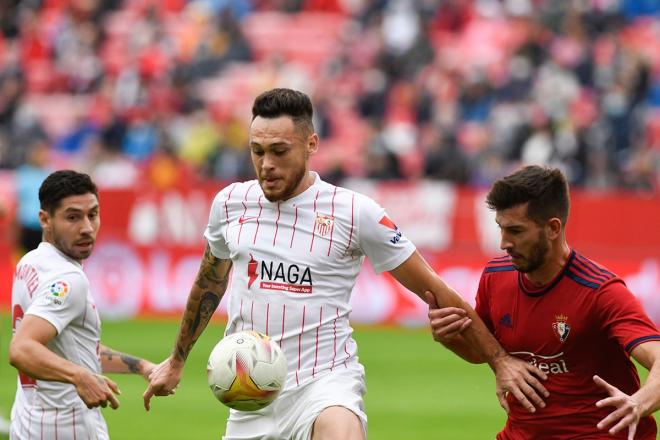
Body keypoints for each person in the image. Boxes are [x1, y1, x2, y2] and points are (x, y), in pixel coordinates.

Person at [143, 88, 549, 440]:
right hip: (250, 392)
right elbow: (210, 280)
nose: (266, 164)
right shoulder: (230, 203)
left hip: (325, 382)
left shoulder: (355, 212)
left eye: (280, 151)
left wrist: (499, 360)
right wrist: (177, 361)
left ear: (311, 145)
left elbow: (433, 288)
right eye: (258, 151)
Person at [427, 165, 660, 439]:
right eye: (501, 229)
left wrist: (639, 402)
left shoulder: (600, 291)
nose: (504, 243)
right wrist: (449, 336)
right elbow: (482, 351)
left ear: (552, 228)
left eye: (515, 231)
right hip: (521, 433)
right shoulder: (495, 276)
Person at [9, 170, 157, 440]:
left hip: (29, 422)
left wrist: (141, 366)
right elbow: (21, 348)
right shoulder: (69, 280)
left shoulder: (29, 264)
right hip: (68, 427)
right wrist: (80, 376)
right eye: (73, 217)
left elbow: (75, 351)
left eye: (93, 214)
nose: (87, 227)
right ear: (45, 219)